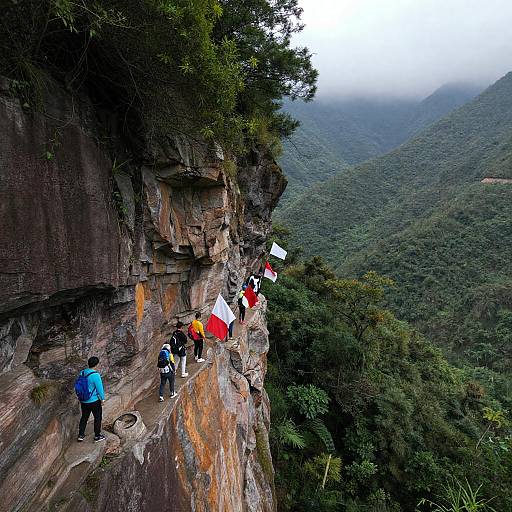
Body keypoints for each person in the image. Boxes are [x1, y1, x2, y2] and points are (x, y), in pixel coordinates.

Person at [76, 356, 106, 443]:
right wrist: (102, 399)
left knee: (84, 417)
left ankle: (81, 435)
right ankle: (97, 436)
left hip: (83, 400)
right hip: (94, 401)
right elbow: (99, 388)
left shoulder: (82, 372)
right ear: (96, 364)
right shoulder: (95, 375)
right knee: (97, 418)